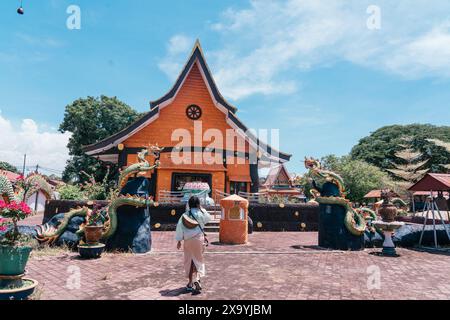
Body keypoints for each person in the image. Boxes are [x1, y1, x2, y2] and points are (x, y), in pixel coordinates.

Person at [175, 196, 212, 294]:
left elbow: (179, 228)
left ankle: (190, 283)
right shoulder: (201, 213)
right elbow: (209, 218)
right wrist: (201, 208)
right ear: (198, 204)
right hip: (199, 240)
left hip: (188, 241)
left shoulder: (184, 215)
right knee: (199, 259)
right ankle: (198, 279)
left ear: (189, 204)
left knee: (189, 261)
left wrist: (179, 240)